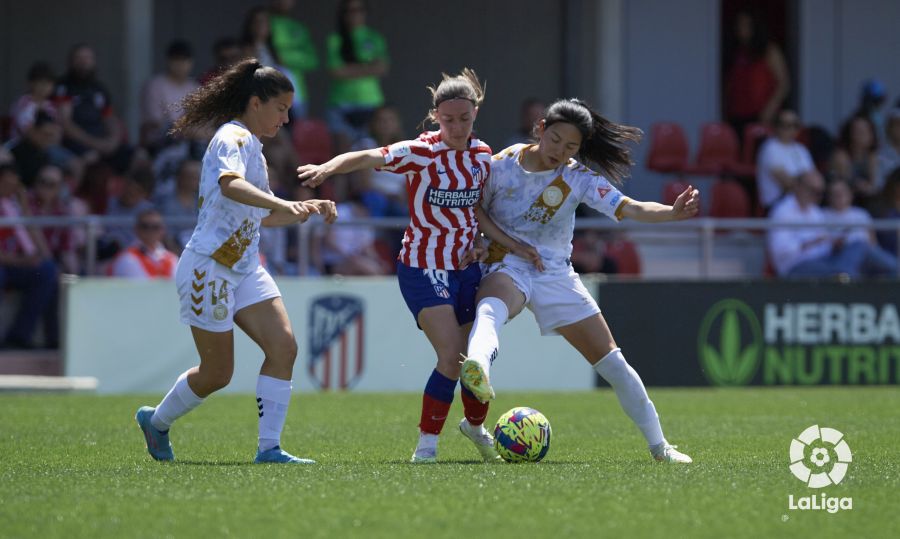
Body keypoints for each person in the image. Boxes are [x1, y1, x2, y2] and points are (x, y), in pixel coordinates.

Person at [456, 98, 697, 464]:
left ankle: (660, 447)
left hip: (555, 274)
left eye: (571, 147)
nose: (560, 152)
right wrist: (497, 245)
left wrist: (671, 213)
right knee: (491, 308)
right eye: (555, 140)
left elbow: (628, 206)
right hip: (507, 263)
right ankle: (478, 367)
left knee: (614, 363)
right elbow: (476, 209)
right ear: (539, 129)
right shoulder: (501, 166)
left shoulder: (577, 178)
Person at [299, 69, 511, 463]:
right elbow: (368, 156)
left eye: (464, 119)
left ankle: (475, 427)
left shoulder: (482, 155)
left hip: (466, 267)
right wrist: (328, 167)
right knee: (451, 357)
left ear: (475, 114)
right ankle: (426, 446)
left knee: (471, 361)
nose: (457, 127)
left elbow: (477, 210)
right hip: (422, 264)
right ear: (436, 117)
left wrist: (482, 244)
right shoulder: (422, 151)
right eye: (449, 120)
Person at [134, 57, 337, 464]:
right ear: (256, 102)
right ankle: (156, 421)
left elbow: (263, 213)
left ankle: (270, 449)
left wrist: (305, 208)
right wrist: (283, 201)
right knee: (217, 374)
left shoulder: (255, 150)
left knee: (284, 347)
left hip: (244, 267)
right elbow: (230, 185)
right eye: (280, 108)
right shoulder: (232, 137)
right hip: (208, 267)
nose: (285, 118)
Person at [768, 170, 869, 279]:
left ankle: (847, 275)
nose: (817, 196)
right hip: (797, 265)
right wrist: (810, 243)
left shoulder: (815, 211)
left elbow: (824, 243)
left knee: (857, 245)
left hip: (824, 260)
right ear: (798, 186)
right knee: (842, 272)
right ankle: (846, 277)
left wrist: (834, 244)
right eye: (813, 190)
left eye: (820, 192)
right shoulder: (782, 211)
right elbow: (781, 251)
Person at [0, 163, 59, 349]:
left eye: (14, 185)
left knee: (48, 271)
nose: (10, 189)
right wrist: (21, 261)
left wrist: (25, 212)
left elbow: (44, 252)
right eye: (6, 184)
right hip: (6, 264)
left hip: (17, 264)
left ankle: (20, 337)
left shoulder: (14, 206)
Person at [325, 0, 389, 150]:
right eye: (349, 11)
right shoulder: (335, 39)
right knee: (343, 153)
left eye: (358, 10)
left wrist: (350, 69)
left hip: (371, 102)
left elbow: (382, 68)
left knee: (371, 150)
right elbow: (336, 71)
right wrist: (367, 67)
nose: (354, 14)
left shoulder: (374, 37)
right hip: (342, 103)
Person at [723, 10, 790, 135]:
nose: (741, 29)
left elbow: (784, 84)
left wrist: (769, 109)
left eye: (746, 25)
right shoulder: (736, 51)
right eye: (739, 25)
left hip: (761, 115)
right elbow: (730, 83)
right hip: (737, 114)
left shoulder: (769, 50)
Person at [823, 179, 897, 277]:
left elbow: (872, 241)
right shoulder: (822, 215)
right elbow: (823, 242)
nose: (840, 196)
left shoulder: (861, 213)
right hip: (840, 255)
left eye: (842, 192)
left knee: (894, 267)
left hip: (868, 254)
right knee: (856, 247)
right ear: (829, 197)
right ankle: (843, 278)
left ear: (850, 194)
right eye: (835, 193)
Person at [755, 109, 815, 214]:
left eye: (794, 125)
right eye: (785, 125)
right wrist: (806, 185)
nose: (790, 129)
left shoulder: (801, 149)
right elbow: (786, 182)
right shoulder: (770, 148)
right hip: (777, 205)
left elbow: (814, 179)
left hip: (803, 203)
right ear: (776, 127)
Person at [269, 0, 319, 119]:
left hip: (296, 94)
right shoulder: (265, 23)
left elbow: (312, 60)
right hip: (269, 92)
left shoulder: (299, 28)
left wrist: (285, 58)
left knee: (297, 133)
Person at [141, 40, 200, 138]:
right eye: (176, 59)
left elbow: (201, 123)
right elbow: (156, 123)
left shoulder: (195, 87)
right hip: (160, 144)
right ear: (168, 61)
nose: (180, 64)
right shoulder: (155, 85)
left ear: (191, 62)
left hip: (190, 143)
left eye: (184, 60)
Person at [109, 208, 179, 278]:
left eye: (155, 227)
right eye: (145, 226)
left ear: (163, 230)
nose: (150, 231)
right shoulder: (126, 258)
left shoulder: (173, 259)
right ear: (136, 229)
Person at [831, 113, 880, 208]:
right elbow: (842, 183)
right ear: (849, 133)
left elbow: (875, 184)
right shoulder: (841, 156)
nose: (862, 134)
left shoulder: (873, 157)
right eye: (858, 130)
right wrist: (858, 185)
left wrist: (868, 188)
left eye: (865, 130)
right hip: (843, 200)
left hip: (867, 199)